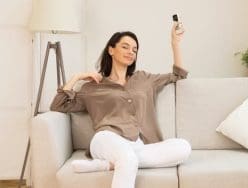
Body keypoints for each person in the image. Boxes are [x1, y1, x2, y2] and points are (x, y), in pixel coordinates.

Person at [50, 21, 190, 188]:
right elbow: (58, 105)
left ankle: (107, 164)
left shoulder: (144, 78)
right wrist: (77, 77)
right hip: (106, 139)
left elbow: (178, 75)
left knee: (183, 147)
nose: (131, 52)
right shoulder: (93, 87)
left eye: (134, 50)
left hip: (140, 144)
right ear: (111, 50)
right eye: (125, 47)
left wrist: (175, 43)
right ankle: (117, 160)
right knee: (127, 158)